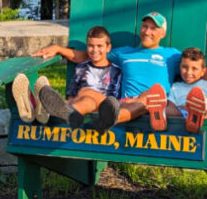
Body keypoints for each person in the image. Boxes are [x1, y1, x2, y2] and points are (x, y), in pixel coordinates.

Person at [35, 12, 180, 132]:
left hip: (156, 106)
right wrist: (59, 49)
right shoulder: (125, 53)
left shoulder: (172, 55)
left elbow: (198, 70)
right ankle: (68, 111)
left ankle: (112, 119)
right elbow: (90, 55)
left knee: (149, 95)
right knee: (88, 92)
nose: (147, 31)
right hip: (123, 103)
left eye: (153, 28)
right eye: (145, 26)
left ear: (163, 33)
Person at [15, 25, 122, 130]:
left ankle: (41, 106)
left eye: (99, 46)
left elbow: (113, 99)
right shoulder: (81, 67)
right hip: (77, 107)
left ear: (108, 47)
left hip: (104, 109)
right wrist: (57, 48)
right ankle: (39, 107)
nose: (94, 50)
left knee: (88, 96)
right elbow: (72, 95)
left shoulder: (116, 71)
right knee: (80, 99)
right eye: (90, 45)